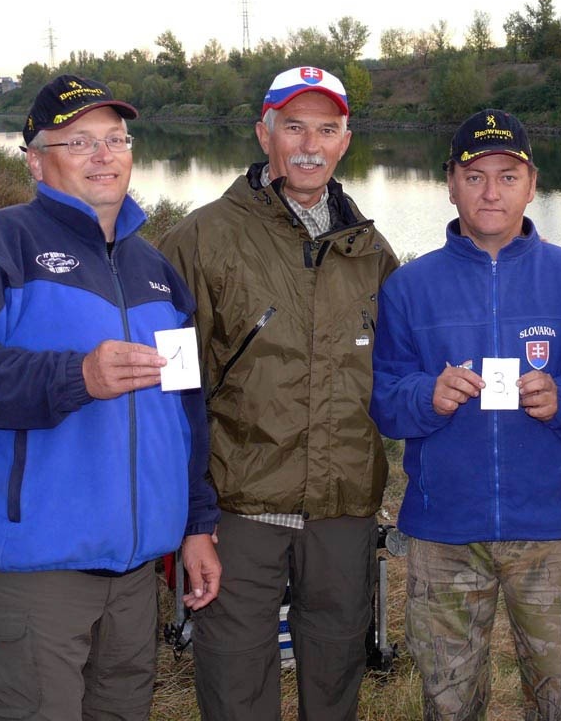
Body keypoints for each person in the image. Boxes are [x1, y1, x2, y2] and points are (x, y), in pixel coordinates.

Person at [0, 74, 221, 721]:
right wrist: (74, 377)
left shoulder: (155, 269)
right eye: (79, 141)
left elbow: (185, 406)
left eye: (115, 138)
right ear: (35, 158)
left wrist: (196, 524)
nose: (103, 155)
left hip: (138, 577)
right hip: (39, 578)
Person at [157, 65, 399, 721]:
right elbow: (169, 393)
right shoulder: (199, 240)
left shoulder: (372, 252)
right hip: (238, 514)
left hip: (343, 515)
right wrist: (190, 521)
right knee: (235, 688)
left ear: (346, 140)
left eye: (327, 128)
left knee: (336, 680)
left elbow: (400, 380)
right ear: (265, 133)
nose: (309, 144)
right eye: (293, 126)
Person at [369, 108, 561, 720]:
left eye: (508, 176)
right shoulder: (409, 287)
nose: (491, 191)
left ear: (533, 185)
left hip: (551, 532)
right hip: (444, 534)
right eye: (475, 175)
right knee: (449, 705)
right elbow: (383, 398)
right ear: (449, 182)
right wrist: (427, 396)